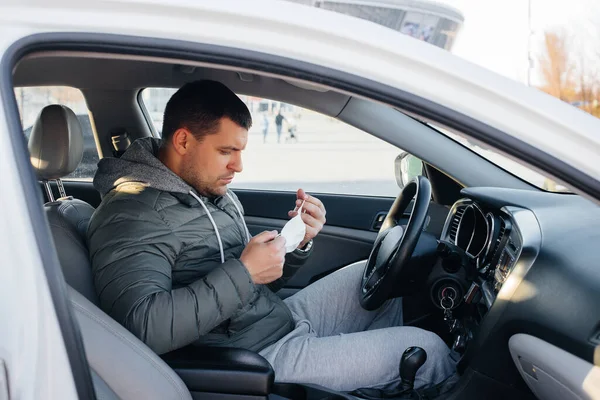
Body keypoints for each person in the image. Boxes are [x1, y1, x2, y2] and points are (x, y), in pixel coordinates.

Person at [87, 80, 455, 392]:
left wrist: (295, 243)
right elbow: (141, 326)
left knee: (376, 277)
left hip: (273, 318)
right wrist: (245, 273)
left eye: (241, 151)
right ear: (183, 141)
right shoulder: (130, 214)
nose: (239, 166)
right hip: (249, 355)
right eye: (226, 151)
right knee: (427, 349)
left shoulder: (202, 188)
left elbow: (250, 279)